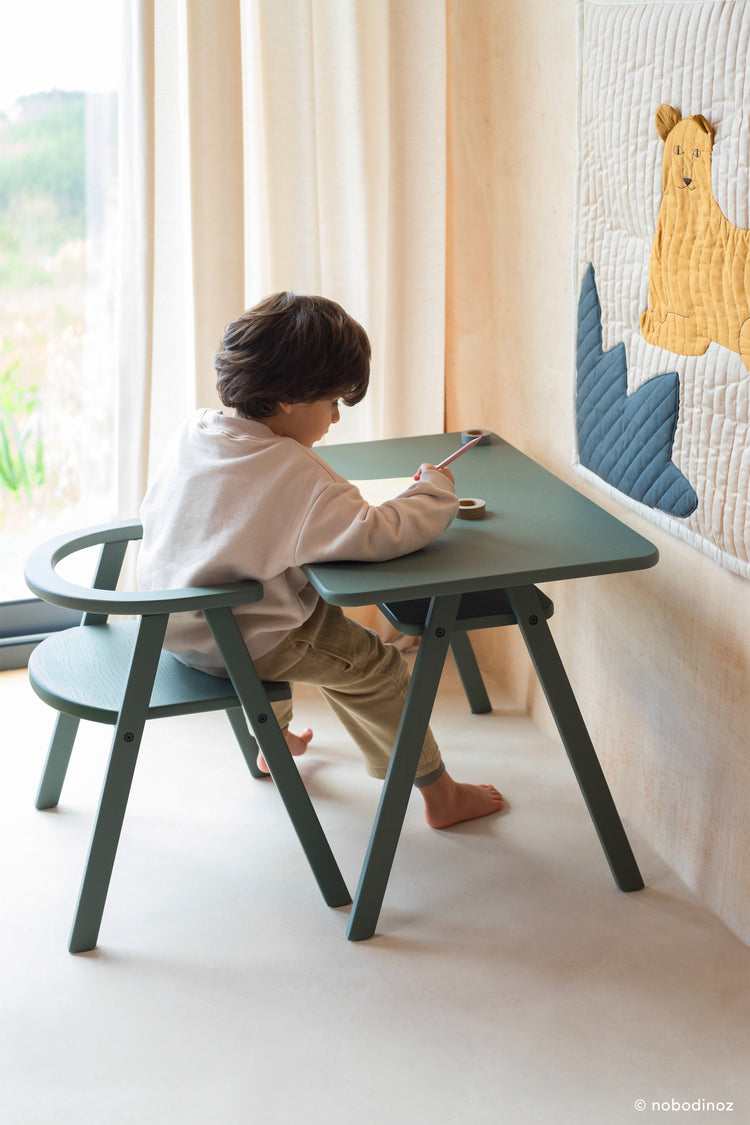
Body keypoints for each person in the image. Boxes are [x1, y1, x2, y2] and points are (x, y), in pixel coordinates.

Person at [137, 292, 503, 828]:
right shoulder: (294, 473)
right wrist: (434, 492)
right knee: (376, 667)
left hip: (173, 624)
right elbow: (381, 532)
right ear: (288, 398)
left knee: (288, 613)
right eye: (331, 402)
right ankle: (440, 795)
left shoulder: (198, 431)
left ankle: (275, 737)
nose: (335, 418)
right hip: (242, 640)